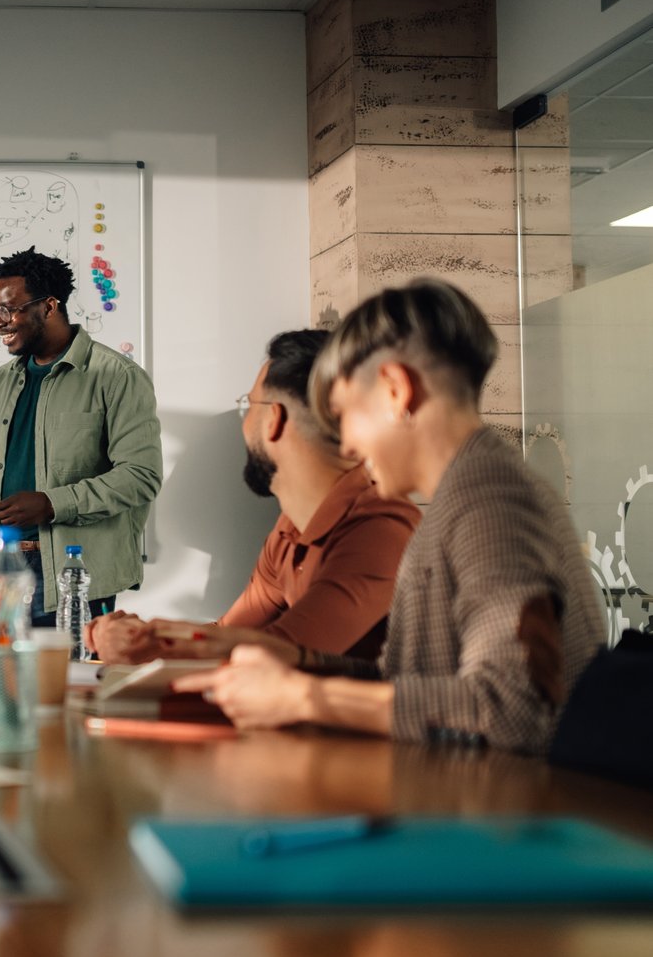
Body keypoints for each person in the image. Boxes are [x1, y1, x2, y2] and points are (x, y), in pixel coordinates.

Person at [174, 279, 604, 755]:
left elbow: (511, 709)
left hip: (503, 821)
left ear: (397, 391)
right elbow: (413, 686)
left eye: (343, 414)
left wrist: (305, 696)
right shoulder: (462, 494)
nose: (348, 446)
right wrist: (299, 660)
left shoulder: (490, 500)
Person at [86, 330, 420, 664]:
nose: (243, 424)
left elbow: (281, 655)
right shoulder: (291, 527)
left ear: (274, 419)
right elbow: (229, 634)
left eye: (247, 405)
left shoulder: (379, 529)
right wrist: (142, 636)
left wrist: (150, 641)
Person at [0, 247, 162, 624]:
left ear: (49, 307)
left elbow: (140, 477)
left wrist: (52, 503)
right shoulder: (0, 382)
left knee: (65, 683)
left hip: (74, 578)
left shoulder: (116, 376)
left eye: (8, 309)